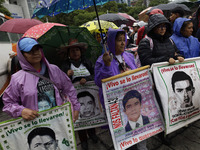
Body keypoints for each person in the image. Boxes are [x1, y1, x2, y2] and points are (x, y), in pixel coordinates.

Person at [2, 37, 80, 122]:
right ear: (22, 55)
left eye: (37, 49)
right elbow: (9, 103)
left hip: (60, 121)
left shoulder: (54, 70)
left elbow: (69, 89)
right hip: (36, 125)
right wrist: (21, 111)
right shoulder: (17, 79)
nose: (35, 53)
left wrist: (75, 107)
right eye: (30, 51)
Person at [95, 28, 141, 149]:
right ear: (110, 42)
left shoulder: (129, 56)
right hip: (116, 104)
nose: (122, 43)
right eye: (118, 40)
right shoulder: (102, 60)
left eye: (123, 40)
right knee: (123, 135)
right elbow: (100, 82)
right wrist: (107, 66)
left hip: (131, 100)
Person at [60, 39, 97, 150]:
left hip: (89, 94)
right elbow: (61, 82)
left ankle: (93, 134)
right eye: (72, 51)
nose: (75, 52)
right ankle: (83, 140)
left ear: (81, 51)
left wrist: (86, 79)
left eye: (77, 50)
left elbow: (95, 75)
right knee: (79, 118)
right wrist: (67, 76)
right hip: (74, 98)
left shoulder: (87, 62)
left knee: (90, 115)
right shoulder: (65, 65)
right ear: (68, 54)